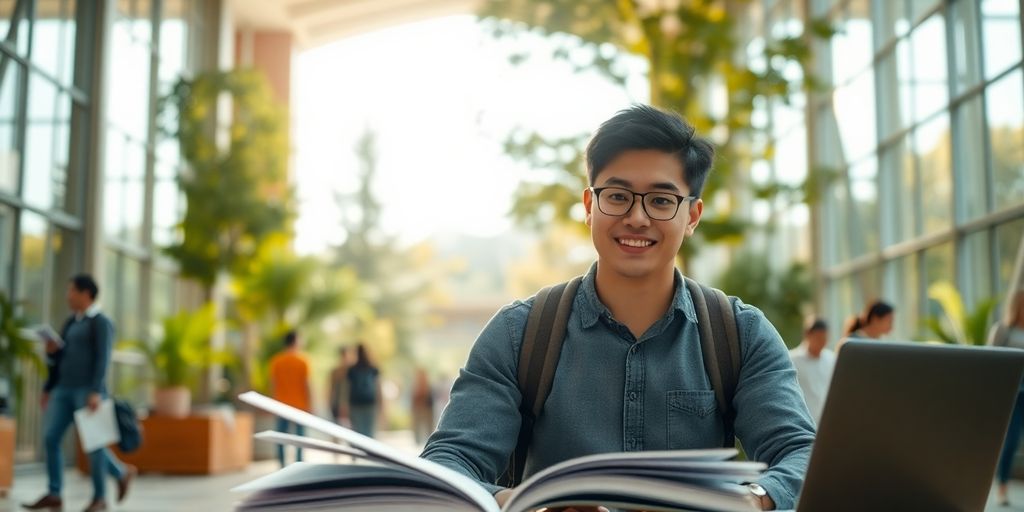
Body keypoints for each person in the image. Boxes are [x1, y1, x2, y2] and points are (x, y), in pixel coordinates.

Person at [421, 105, 816, 510]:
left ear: (692, 215)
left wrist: (753, 501)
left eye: (661, 201)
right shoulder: (519, 333)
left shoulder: (739, 334)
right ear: (590, 205)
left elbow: (804, 455)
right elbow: (447, 464)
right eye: (617, 196)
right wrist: (520, 504)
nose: (637, 218)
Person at [23, 274, 136, 512]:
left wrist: (96, 390)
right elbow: (61, 358)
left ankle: (100, 497)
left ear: (86, 294)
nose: (68, 296)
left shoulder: (100, 322)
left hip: (88, 391)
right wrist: (51, 363)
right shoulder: (71, 322)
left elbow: (103, 359)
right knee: (51, 437)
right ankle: (55, 493)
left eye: (72, 291)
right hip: (63, 389)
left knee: (95, 445)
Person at [990, 289, 1024, 506]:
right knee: (1010, 441)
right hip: (1015, 394)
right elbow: (991, 360)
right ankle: (1002, 488)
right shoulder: (1003, 330)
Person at [268, 330, 311, 467]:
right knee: (300, 439)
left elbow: (273, 385)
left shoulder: (276, 361)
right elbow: (307, 385)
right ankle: (299, 465)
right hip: (300, 405)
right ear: (296, 341)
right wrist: (310, 404)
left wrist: (272, 404)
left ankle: (282, 465)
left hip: (281, 405)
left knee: (281, 437)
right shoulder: (303, 361)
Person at [788, 318, 836, 423]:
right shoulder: (791, 360)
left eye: (824, 338)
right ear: (808, 335)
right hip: (804, 424)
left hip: (828, 423)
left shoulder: (832, 359)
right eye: (818, 338)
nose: (822, 343)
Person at [345, 343, 382, 438]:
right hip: (370, 402)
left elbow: (347, 389)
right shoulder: (373, 369)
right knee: (369, 431)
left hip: (355, 403)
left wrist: (345, 405)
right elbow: (378, 388)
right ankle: (369, 451)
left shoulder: (352, 370)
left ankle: (360, 451)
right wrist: (381, 404)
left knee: (358, 432)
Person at [328, 345, 354, 427]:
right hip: (337, 404)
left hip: (349, 405)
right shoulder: (336, 371)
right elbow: (331, 388)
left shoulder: (352, 371)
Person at [411, 367, 435, 445]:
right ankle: (418, 441)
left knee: (427, 426)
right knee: (419, 426)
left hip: (426, 408)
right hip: (420, 408)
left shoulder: (426, 385)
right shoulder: (417, 385)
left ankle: (427, 440)